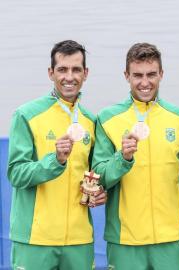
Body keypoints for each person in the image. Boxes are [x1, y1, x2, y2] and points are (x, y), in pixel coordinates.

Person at [92, 42, 179, 270]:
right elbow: (98, 177)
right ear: (126, 75)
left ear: (161, 74)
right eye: (138, 75)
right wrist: (121, 158)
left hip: (172, 240)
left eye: (151, 74)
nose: (145, 83)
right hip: (125, 241)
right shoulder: (107, 118)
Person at [7, 40, 106, 270]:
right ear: (51, 73)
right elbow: (16, 173)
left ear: (86, 73)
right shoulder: (26, 115)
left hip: (79, 241)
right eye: (62, 69)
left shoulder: (91, 121)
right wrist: (56, 160)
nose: (69, 77)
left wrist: (102, 192)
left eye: (76, 70)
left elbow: (95, 173)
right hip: (36, 239)